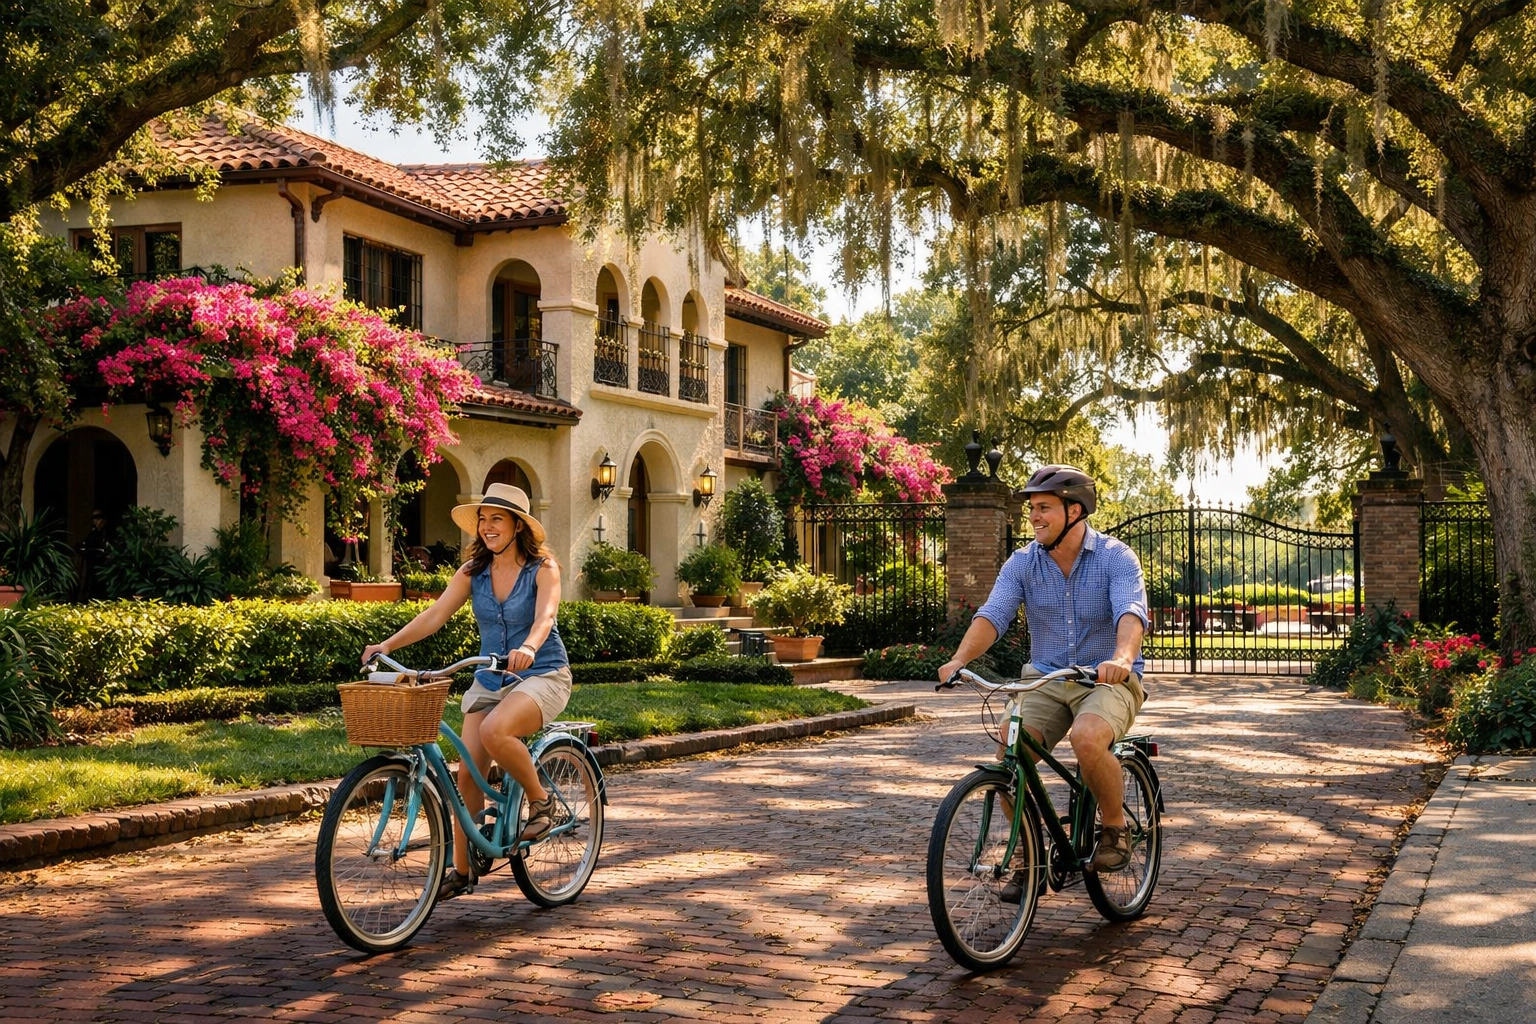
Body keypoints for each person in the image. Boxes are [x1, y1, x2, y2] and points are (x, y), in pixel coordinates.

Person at [361, 483, 572, 900]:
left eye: (497, 519)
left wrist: (530, 647)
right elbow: (435, 615)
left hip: (542, 674)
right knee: (466, 776)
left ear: (518, 526)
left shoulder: (543, 568)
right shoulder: (473, 571)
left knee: (495, 731)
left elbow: (546, 617)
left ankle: (541, 802)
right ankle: (462, 870)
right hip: (490, 678)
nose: (487, 527)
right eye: (483, 519)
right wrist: (387, 645)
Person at [937, 464, 1148, 878]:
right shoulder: (1022, 563)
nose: (1033, 516)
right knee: (1010, 752)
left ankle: (1114, 828)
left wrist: (1122, 659)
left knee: (1087, 738)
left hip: (1106, 679)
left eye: (1043, 507)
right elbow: (994, 614)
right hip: (1046, 677)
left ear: (1075, 510)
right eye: (1031, 508)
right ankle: (1027, 850)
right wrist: (959, 659)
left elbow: (1131, 612)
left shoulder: (1116, 557)